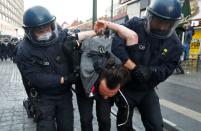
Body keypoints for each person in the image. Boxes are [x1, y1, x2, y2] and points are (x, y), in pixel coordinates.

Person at [98, 0, 183, 131]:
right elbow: (116, 44)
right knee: (124, 124)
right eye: (159, 21)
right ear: (150, 16)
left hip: (147, 88)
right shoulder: (135, 25)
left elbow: (168, 68)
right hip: (126, 86)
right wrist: (133, 67)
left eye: (167, 24)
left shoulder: (175, 45)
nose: (161, 27)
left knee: (156, 125)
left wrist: (150, 72)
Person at [16, 6, 98, 131]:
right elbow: (34, 77)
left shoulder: (59, 35)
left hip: (64, 95)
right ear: (30, 31)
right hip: (43, 97)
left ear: (52, 25)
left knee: (66, 127)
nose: (46, 33)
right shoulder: (24, 51)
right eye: (40, 31)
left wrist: (96, 31)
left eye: (47, 28)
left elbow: (76, 36)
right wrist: (64, 79)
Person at [67, 20, 138, 131]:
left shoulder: (117, 68)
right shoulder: (84, 70)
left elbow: (132, 36)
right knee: (86, 119)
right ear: (101, 80)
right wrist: (95, 32)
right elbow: (69, 40)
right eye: (105, 93)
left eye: (111, 94)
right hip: (84, 86)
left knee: (104, 119)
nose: (106, 96)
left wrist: (109, 25)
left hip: (103, 75)